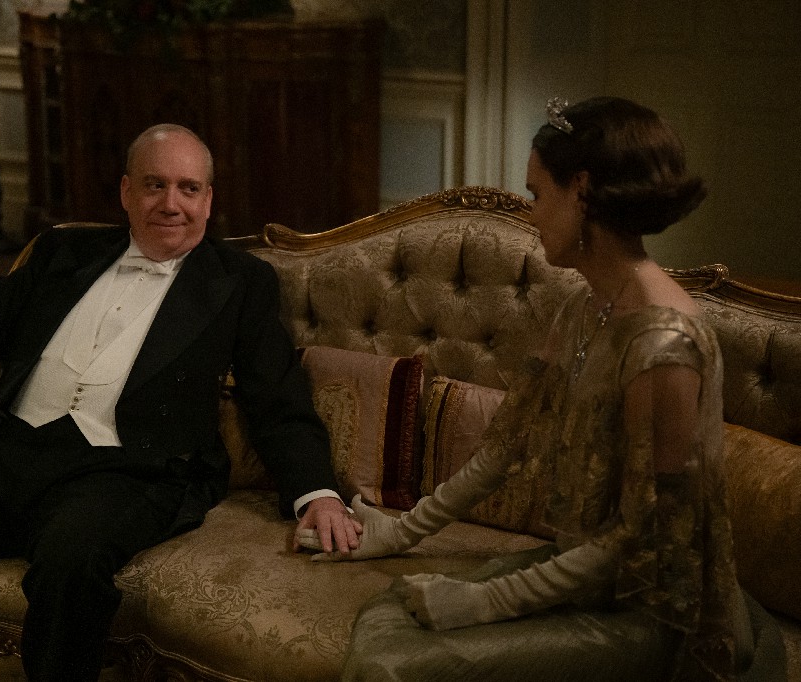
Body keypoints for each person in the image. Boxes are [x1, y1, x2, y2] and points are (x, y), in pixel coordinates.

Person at [0, 123, 361, 681]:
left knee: (71, 565)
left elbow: (275, 394)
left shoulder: (240, 281)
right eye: (154, 185)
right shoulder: (64, 252)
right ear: (126, 192)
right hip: (6, 455)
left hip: (125, 472)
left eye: (189, 188)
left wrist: (316, 494)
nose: (171, 203)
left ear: (208, 200)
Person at [305, 98, 786, 681]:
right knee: (389, 611)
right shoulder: (583, 306)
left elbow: (641, 536)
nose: (530, 215)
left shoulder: (664, 346)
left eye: (537, 194)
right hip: (583, 572)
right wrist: (400, 532)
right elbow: (504, 448)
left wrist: (479, 602)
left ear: (581, 191)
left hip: (654, 613)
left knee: (397, 663)